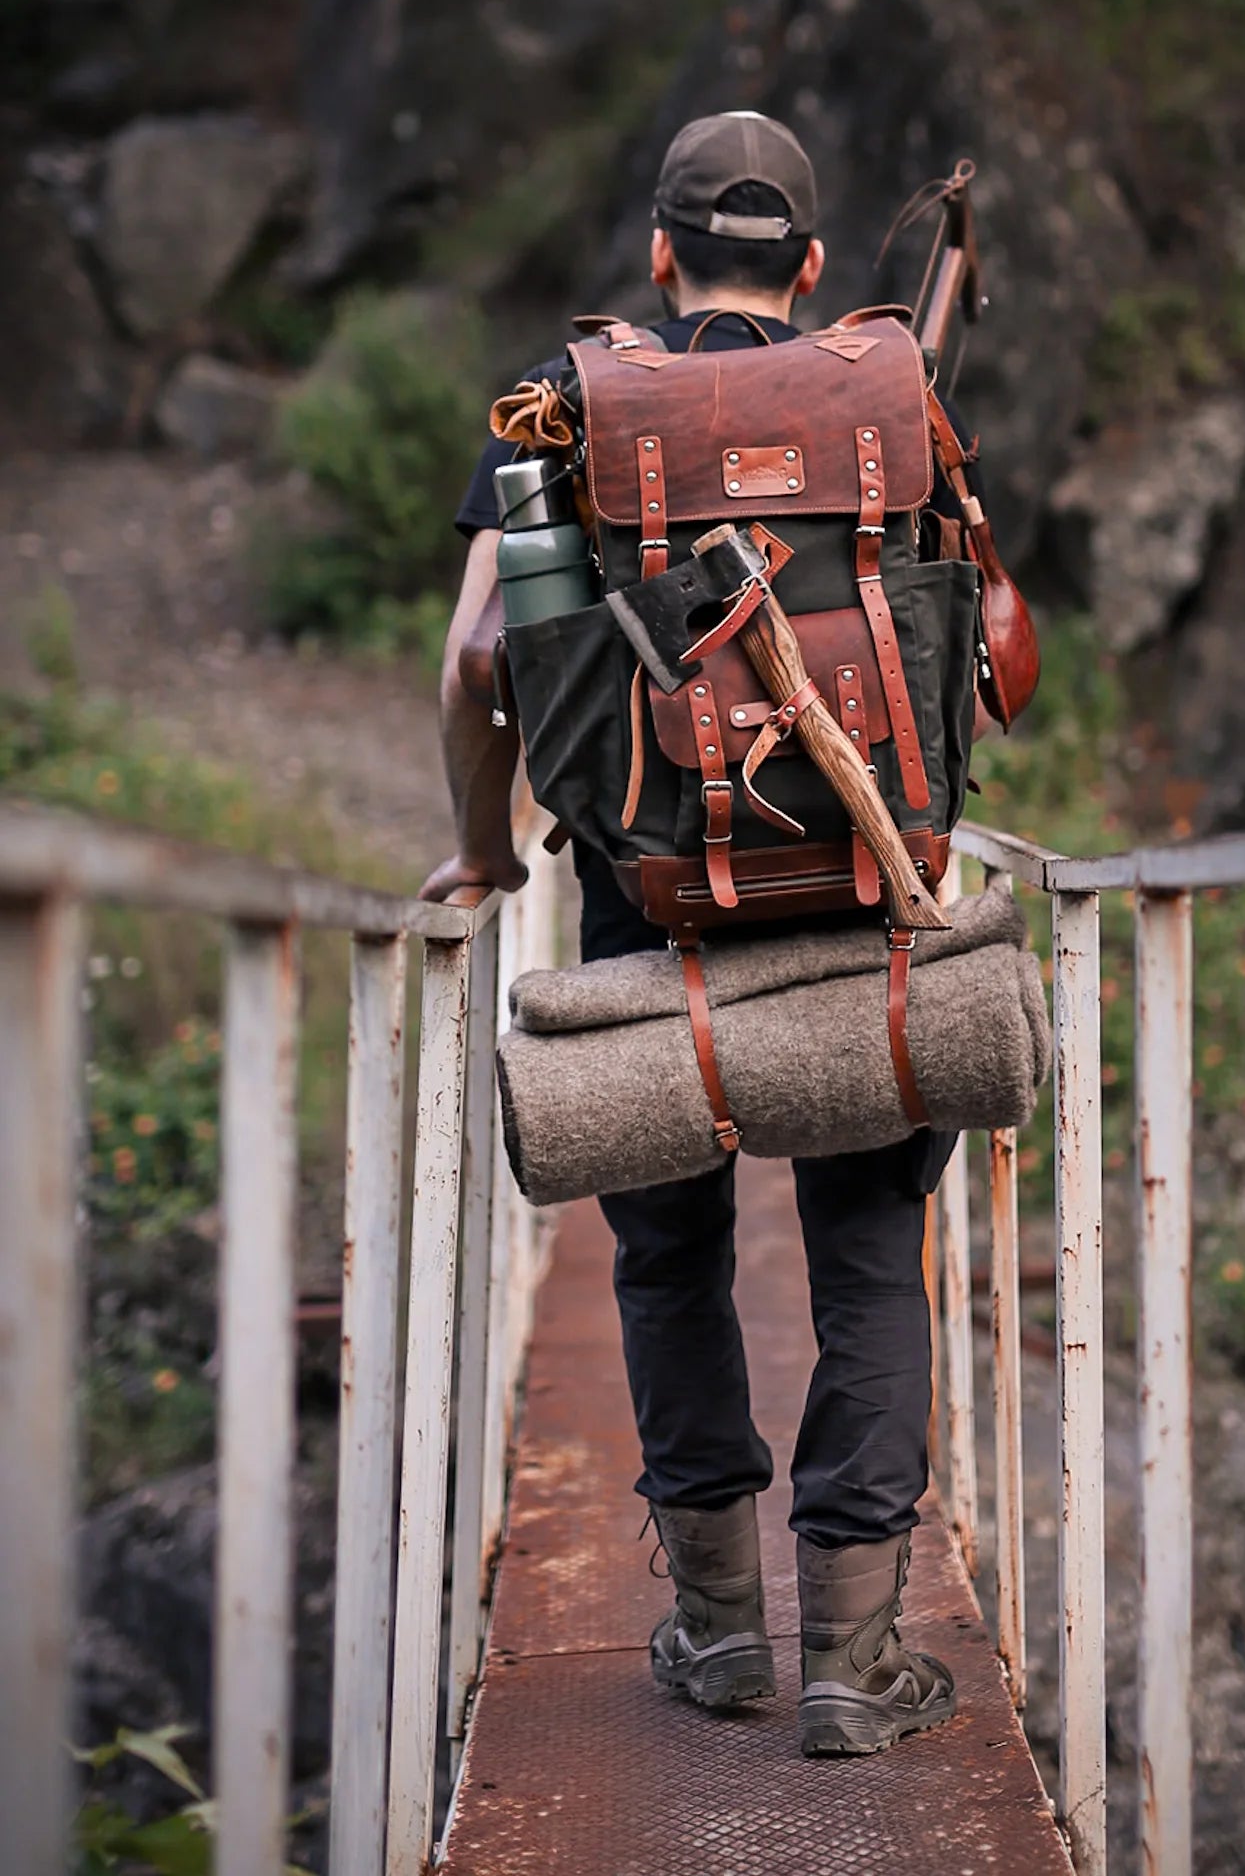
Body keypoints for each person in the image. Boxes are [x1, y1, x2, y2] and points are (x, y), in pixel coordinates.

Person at [423, 113, 963, 1757]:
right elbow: (978, 650)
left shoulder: (568, 402)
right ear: (806, 266)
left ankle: (722, 1634)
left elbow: (473, 668)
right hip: (862, 894)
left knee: (665, 1258)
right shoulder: (888, 397)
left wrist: (480, 855)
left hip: (645, 898)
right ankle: (856, 1664)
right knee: (870, 1256)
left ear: (662, 256)